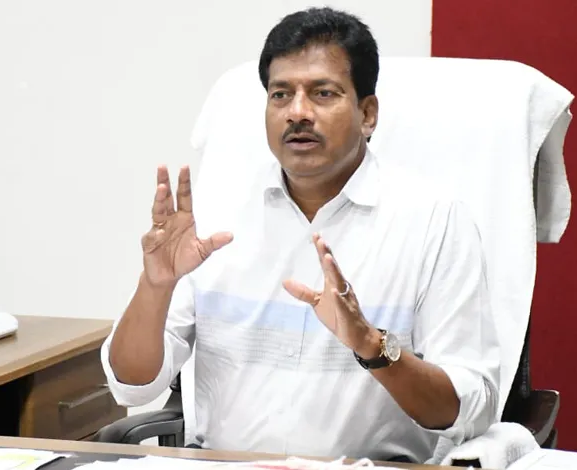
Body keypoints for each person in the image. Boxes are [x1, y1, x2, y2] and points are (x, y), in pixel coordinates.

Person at [102, 6, 500, 464]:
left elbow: (469, 408)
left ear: (367, 114)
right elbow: (132, 385)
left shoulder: (434, 221)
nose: (297, 113)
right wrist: (155, 285)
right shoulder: (213, 216)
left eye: (323, 93)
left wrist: (373, 348)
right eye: (281, 94)